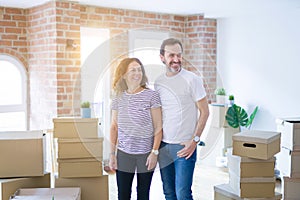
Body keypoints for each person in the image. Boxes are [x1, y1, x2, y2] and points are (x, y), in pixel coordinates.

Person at [154, 38, 209, 200]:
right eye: (171, 55)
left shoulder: (192, 80)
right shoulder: (159, 82)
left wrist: (195, 140)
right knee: (169, 193)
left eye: (179, 55)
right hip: (164, 146)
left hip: (185, 146)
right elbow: (160, 114)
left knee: (183, 194)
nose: (176, 60)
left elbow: (205, 112)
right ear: (162, 57)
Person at [109, 57, 163, 200]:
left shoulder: (151, 95)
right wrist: (112, 154)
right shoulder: (118, 97)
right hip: (124, 153)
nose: (137, 73)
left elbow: (158, 127)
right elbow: (114, 127)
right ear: (124, 74)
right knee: (123, 195)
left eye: (139, 70)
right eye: (133, 70)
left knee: (143, 195)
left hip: (145, 154)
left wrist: (154, 153)